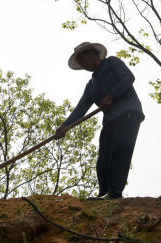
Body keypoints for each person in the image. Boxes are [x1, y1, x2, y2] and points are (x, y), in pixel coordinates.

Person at [53, 41, 144, 199]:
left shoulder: (112, 63)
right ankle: (104, 193)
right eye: (80, 64)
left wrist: (111, 96)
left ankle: (115, 192)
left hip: (128, 112)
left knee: (119, 150)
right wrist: (65, 125)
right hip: (110, 120)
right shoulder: (91, 86)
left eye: (83, 60)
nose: (84, 65)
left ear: (91, 54)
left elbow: (128, 77)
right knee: (103, 157)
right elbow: (81, 108)